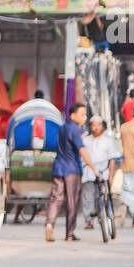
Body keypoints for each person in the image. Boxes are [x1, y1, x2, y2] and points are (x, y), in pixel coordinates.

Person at [45, 103, 93, 242]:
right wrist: (92, 167)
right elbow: (82, 150)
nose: (85, 117)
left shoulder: (62, 128)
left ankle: (49, 224)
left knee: (56, 198)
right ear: (73, 115)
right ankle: (69, 233)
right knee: (72, 202)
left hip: (59, 167)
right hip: (72, 169)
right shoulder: (75, 129)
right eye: (82, 114)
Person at [80, 116, 121, 229]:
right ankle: (88, 220)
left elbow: (112, 160)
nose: (96, 127)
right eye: (93, 125)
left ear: (103, 126)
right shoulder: (85, 140)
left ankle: (105, 217)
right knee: (88, 197)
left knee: (103, 196)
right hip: (88, 172)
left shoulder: (109, 141)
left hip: (104, 173)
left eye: (98, 125)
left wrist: (111, 176)